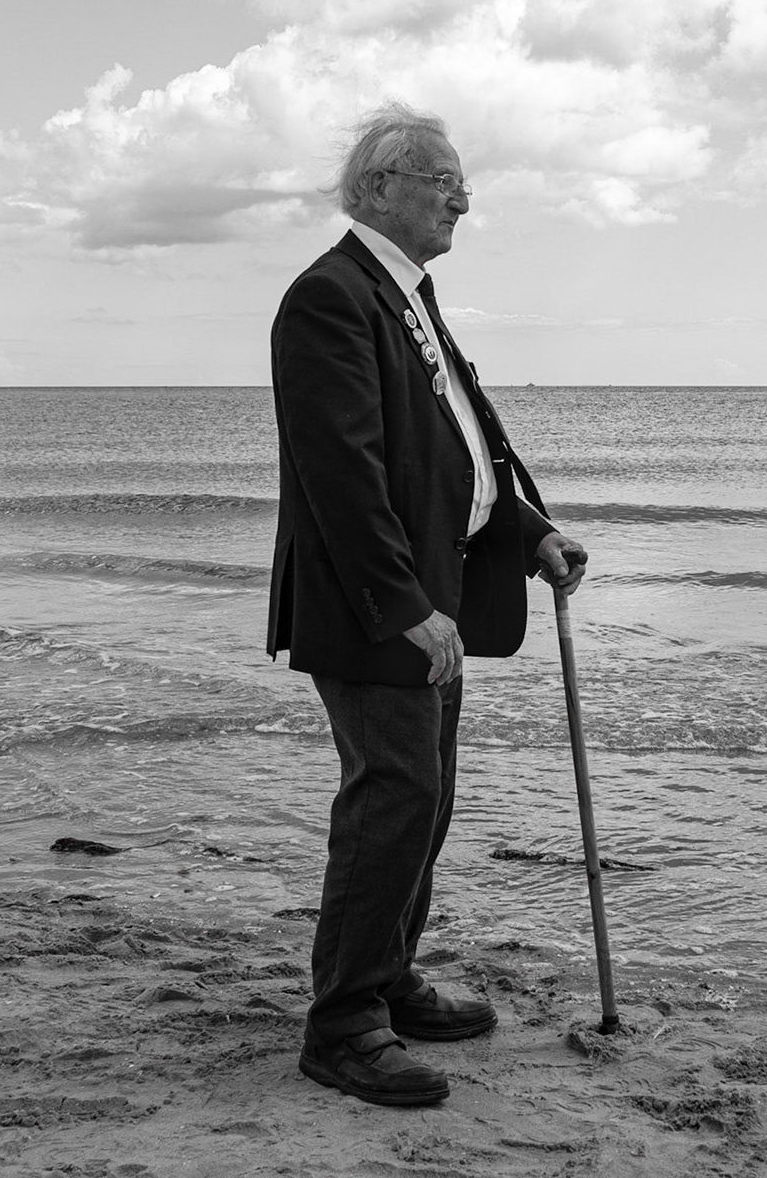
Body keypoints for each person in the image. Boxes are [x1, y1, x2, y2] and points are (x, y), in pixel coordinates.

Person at [266, 102, 588, 1107]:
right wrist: (406, 604)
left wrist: (530, 529)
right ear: (376, 189)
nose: (462, 194)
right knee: (394, 795)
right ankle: (345, 1023)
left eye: (460, 179)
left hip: (429, 595)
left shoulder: (407, 293)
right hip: (377, 605)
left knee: (426, 797)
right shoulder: (329, 297)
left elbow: (465, 446)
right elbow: (344, 475)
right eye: (440, 176)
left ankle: (388, 975)